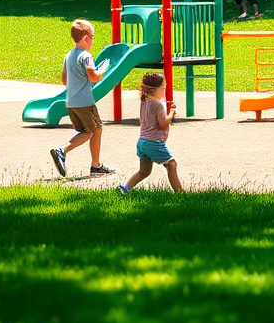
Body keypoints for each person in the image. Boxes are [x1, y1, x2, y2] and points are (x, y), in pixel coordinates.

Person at [49, 19, 115, 178]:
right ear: (86, 38)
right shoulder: (86, 56)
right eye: (92, 37)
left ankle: (95, 165)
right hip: (85, 102)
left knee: (89, 131)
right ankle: (64, 151)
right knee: (95, 129)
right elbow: (93, 77)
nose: (92, 41)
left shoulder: (69, 55)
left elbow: (64, 79)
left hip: (71, 102)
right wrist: (103, 69)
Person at [117, 72, 183, 195]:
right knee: (172, 165)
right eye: (163, 88)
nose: (164, 90)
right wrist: (171, 113)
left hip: (142, 142)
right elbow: (163, 123)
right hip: (154, 142)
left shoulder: (145, 101)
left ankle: (125, 189)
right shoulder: (157, 105)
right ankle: (180, 194)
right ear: (154, 90)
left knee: (144, 171)